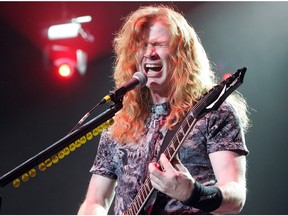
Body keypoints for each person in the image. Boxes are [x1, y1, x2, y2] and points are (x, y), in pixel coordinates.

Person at [77, 4, 250, 215]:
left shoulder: (213, 112)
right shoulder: (120, 121)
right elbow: (96, 200)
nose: (149, 53)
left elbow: (235, 197)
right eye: (142, 45)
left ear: (181, 55)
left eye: (159, 44)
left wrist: (193, 192)